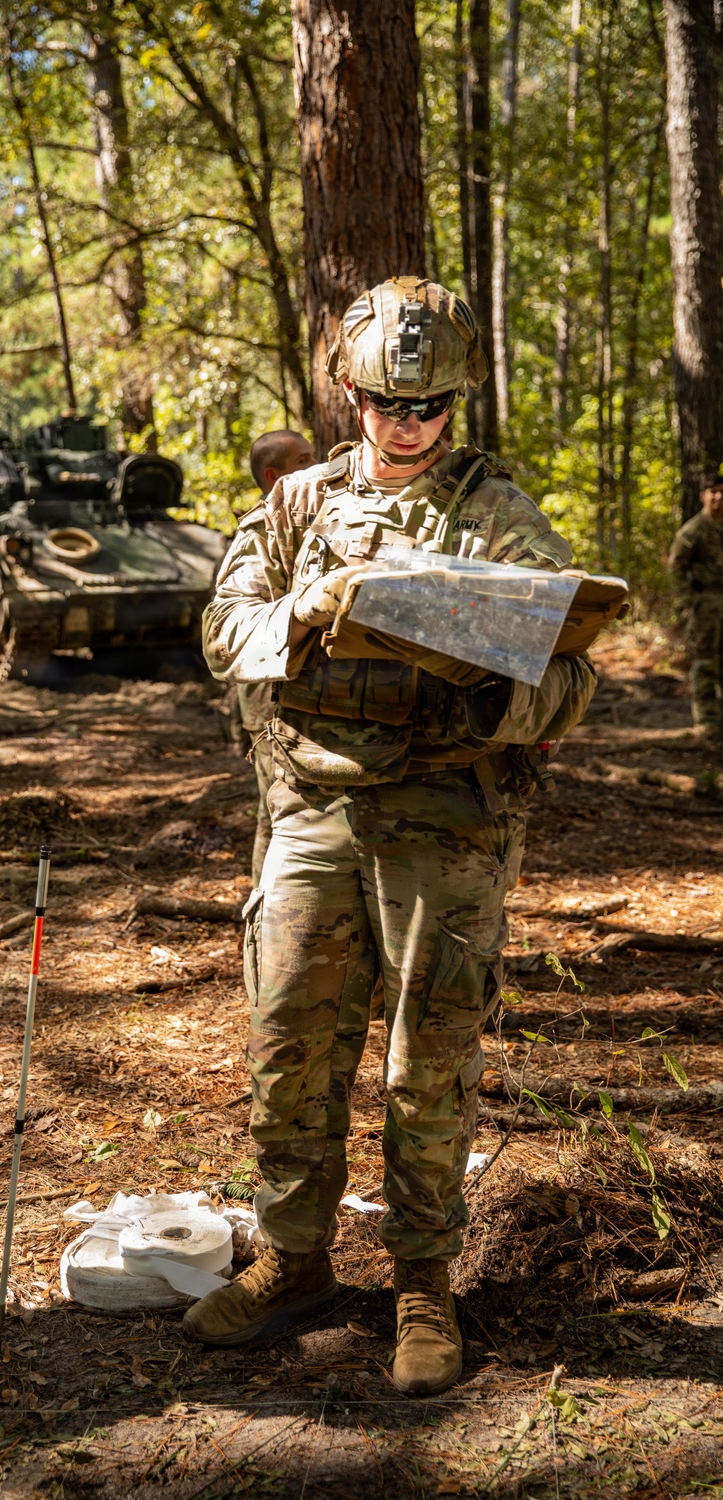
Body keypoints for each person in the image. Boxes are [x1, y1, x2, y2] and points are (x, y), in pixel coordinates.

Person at [187, 277, 597, 1396]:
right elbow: (223, 630)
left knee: (428, 1059)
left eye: (425, 407)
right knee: (289, 1044)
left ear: (458, 404)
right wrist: (302, 616)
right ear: (348, 395)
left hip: (442, 822)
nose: (402, 424)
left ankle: (424, 1281)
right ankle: (297, 1258)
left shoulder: (497, 514)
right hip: (313, 809)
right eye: (380, 401)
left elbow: (573, 669)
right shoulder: (294, 505)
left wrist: (484, 700)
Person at [238, 431, 315, 882]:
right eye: (303, 459)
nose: (317, 463)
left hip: (290, 697)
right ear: (274, 475)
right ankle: (264, 914)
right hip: (271, 700)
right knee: (277, 814)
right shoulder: (260, 533)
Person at [668, 472, 723, 736]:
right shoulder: (692, 531)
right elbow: (675, 568)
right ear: (703, 496)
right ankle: (707, 720)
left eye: (722, 492)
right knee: (705, 661)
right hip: (706, 607)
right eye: (713, 492)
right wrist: (691, 601)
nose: (718, 497)